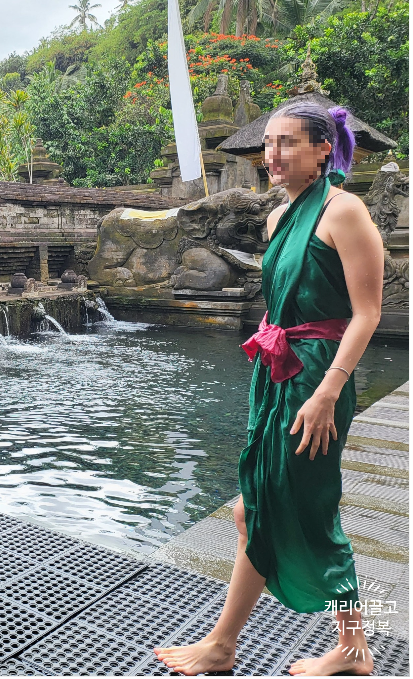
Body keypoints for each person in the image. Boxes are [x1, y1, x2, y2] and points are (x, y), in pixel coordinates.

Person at [154, 103, 384, 676]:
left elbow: (367, 313)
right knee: (253, 509)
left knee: (300, 509)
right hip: (277, 371)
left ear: (323, 150)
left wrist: (329, 390)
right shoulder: (279, 217)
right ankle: (331, 649)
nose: (271, 155)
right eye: (269, 143)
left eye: (287, 144)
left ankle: (234, 646)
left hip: (316, 379)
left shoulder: (345, 211)